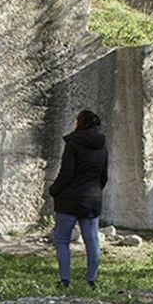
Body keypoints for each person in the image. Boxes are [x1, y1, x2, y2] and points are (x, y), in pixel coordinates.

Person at [48, 109, 109, 289]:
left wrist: (54, 190)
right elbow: (104, 176)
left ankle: (65, 280)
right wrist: (95, 192)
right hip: (92, 198)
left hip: (69, 199)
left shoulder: (73, 144)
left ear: (80, 123)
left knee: (62, 239)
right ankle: (91, 280)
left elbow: (66, 174)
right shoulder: (103, 146)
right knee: (92, 240)